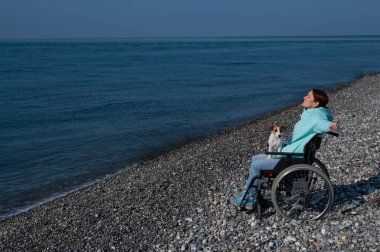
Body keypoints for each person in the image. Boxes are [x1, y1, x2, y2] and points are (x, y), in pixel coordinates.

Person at [230, 89, 339, 210]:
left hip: (293, 158)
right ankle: (249, 190)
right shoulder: (311, 114)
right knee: (255, 158)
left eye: (308, 96)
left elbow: (322, 124)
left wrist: (331, 126)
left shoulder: (316, 118)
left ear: (316, 104)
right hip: (295, 154)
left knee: (256, 164)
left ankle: (249, 198)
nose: (304, 97)